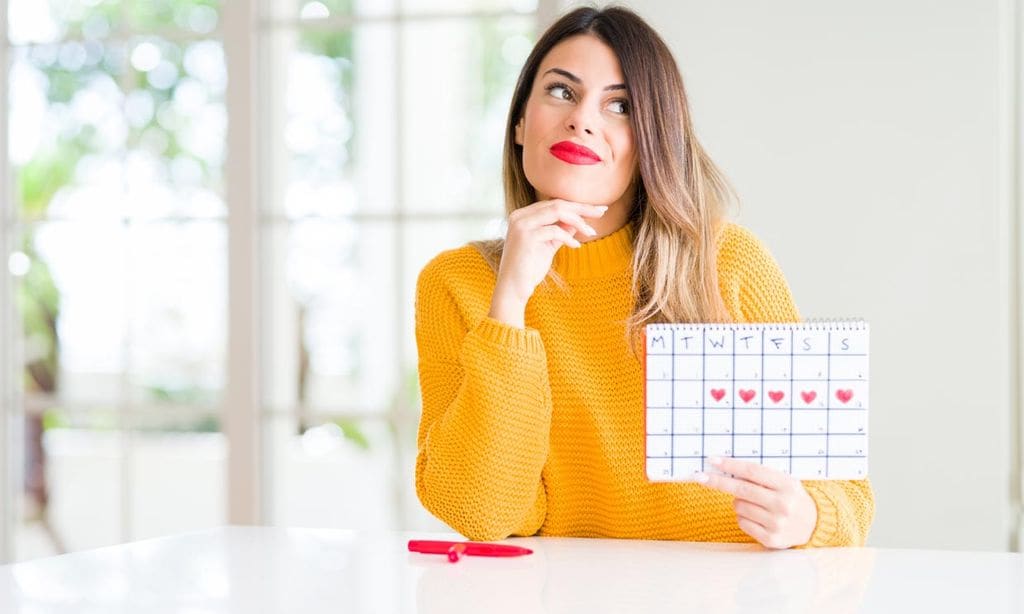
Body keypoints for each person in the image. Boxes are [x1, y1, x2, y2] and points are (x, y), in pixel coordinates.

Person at [413, 6, 874, 549]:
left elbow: (849, 497)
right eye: (561, 92)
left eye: (620, 105)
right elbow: (487, 513)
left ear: (652, 137)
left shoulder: (729, 264)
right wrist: (509, 302)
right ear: (519, 123)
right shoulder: (456, 284)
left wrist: (808, 518)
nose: (582, 119)